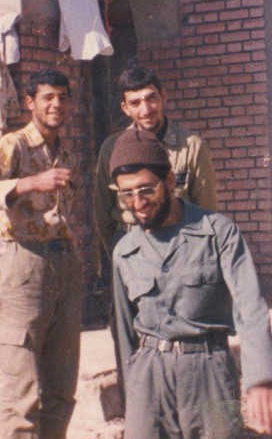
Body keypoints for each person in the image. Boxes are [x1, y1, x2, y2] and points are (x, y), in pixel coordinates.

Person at [109, 128, 272, 437]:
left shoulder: (218, 233)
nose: (138, 202)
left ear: (169, 180)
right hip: (149, 378)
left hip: (210, 372)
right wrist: (130, 396)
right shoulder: (124, 251)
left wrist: (261, 379)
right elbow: (123, 333)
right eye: (127, 194)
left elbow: (250, 307)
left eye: (146, 189)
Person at [91, 65, 219, 403]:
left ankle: (191, 414)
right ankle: (140, 413)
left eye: (151, 98)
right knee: (130, 339)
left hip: (180, 255)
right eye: (135, 102)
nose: (145, 109)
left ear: (164, 97)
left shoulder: (190, 146)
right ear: (124, 107)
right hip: (131, 254)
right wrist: (123, 254)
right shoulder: (111, 149)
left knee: (185, 336)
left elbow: (208, 212)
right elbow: (102, 214)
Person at [0, 68, 80, 439]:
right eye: (48, 97)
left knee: (60, 390)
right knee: (22, 392)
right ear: (30, 102)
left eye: (62, 97)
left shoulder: (63, 151)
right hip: (27, 265)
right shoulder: (13, 145)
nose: (56, 104)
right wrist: (29, 183)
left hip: (64, 264)